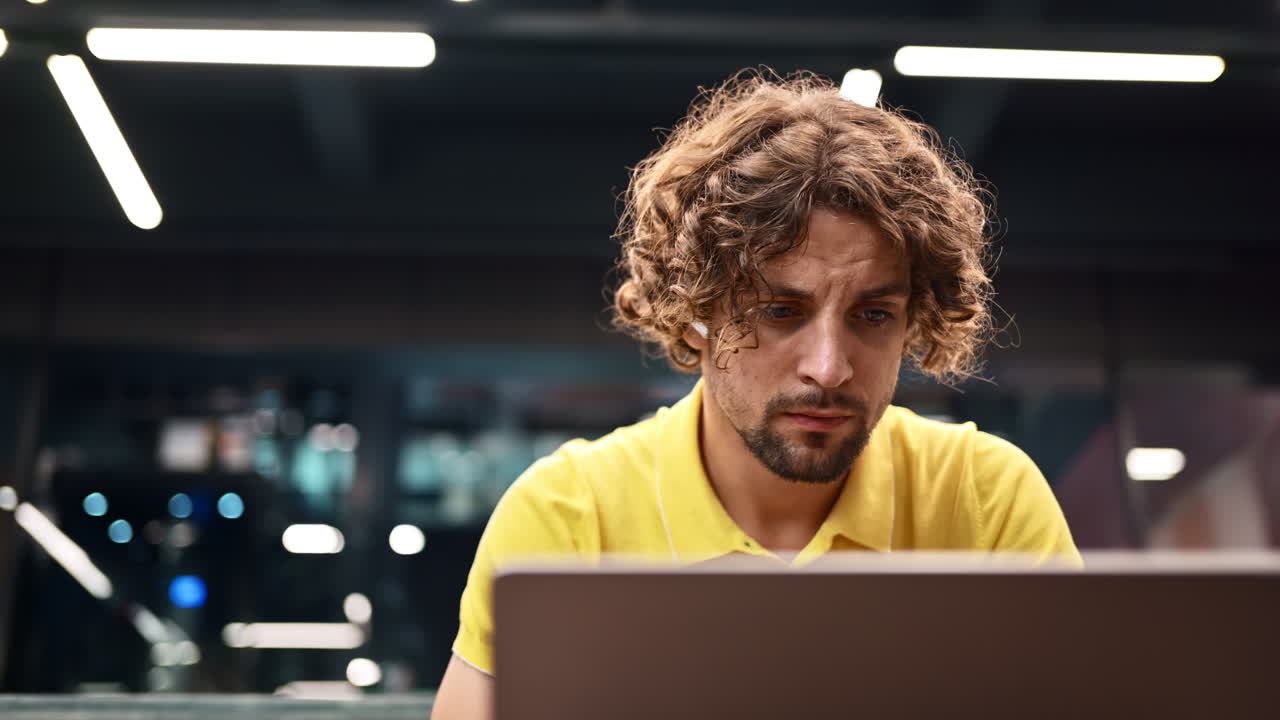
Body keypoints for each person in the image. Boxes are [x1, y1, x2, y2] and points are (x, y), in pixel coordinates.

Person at [430, 69, 1079, 719]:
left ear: (913, 320)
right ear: (696, 311)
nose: (829, 368)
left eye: (872, 315)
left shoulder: (982, 499)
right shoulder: (568, 517)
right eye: (779, 312)